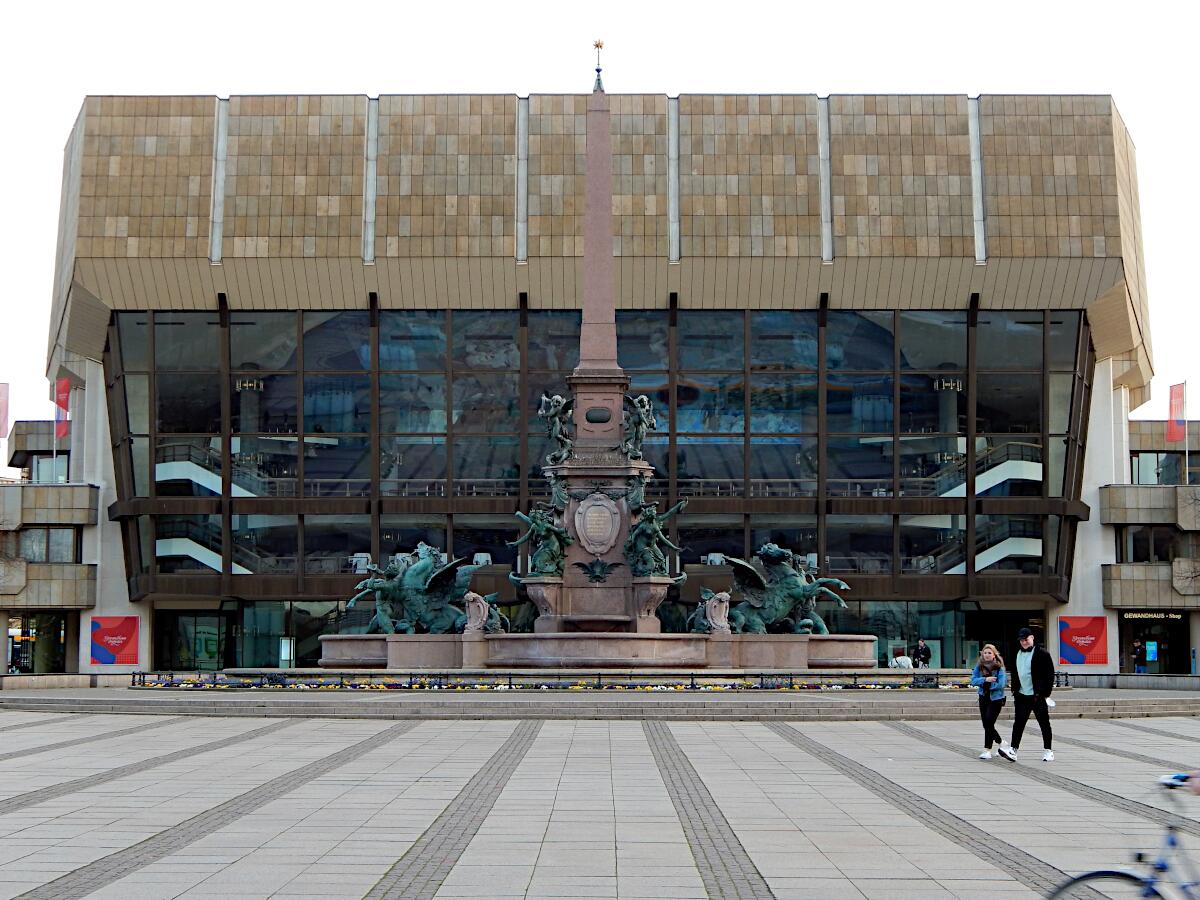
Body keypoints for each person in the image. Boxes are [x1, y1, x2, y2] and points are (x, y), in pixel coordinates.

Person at [997, 627, 1056, 763]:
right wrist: (1015, 690)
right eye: (1022, 640)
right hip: (1022, 695)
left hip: (1037, 695)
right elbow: (1016, 673)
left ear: (1032, 638)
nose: (1024, 642)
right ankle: (1013, 750)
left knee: (1044, 723)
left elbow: (1049, 675)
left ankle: (1048, 750)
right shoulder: (1017, 653)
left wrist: (1045, 693)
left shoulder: (1042, 654)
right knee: (1018, 723)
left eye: (1026, 639)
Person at [970, 644, 1009, 759]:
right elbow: (973, 680)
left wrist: (988, 686)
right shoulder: (979, 666)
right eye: (985, 653)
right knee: (986, 724)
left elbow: (1001, 684)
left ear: (994, 654)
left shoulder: (999, 667)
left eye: (989, 653)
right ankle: (1001, 742)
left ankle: (987, 750)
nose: (987, 655)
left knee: (989, 722)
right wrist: (985, 679)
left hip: (996, 699)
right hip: (983, 697)